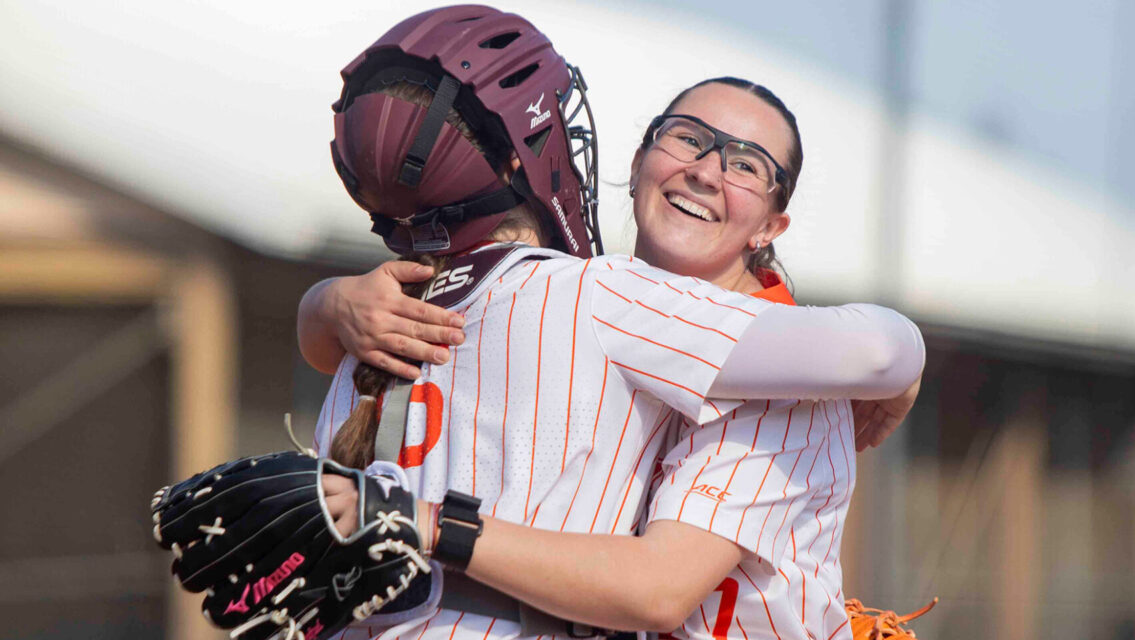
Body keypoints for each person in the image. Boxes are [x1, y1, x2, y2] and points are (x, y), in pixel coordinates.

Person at [304, 6, 924, 640]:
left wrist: (900, 362)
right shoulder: (578, 303)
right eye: (687, 137)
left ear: (770, 227)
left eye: (746, 165)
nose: (707, 170)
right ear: (635, 164)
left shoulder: (793, 374)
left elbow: (657, 590)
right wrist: (326, 303)